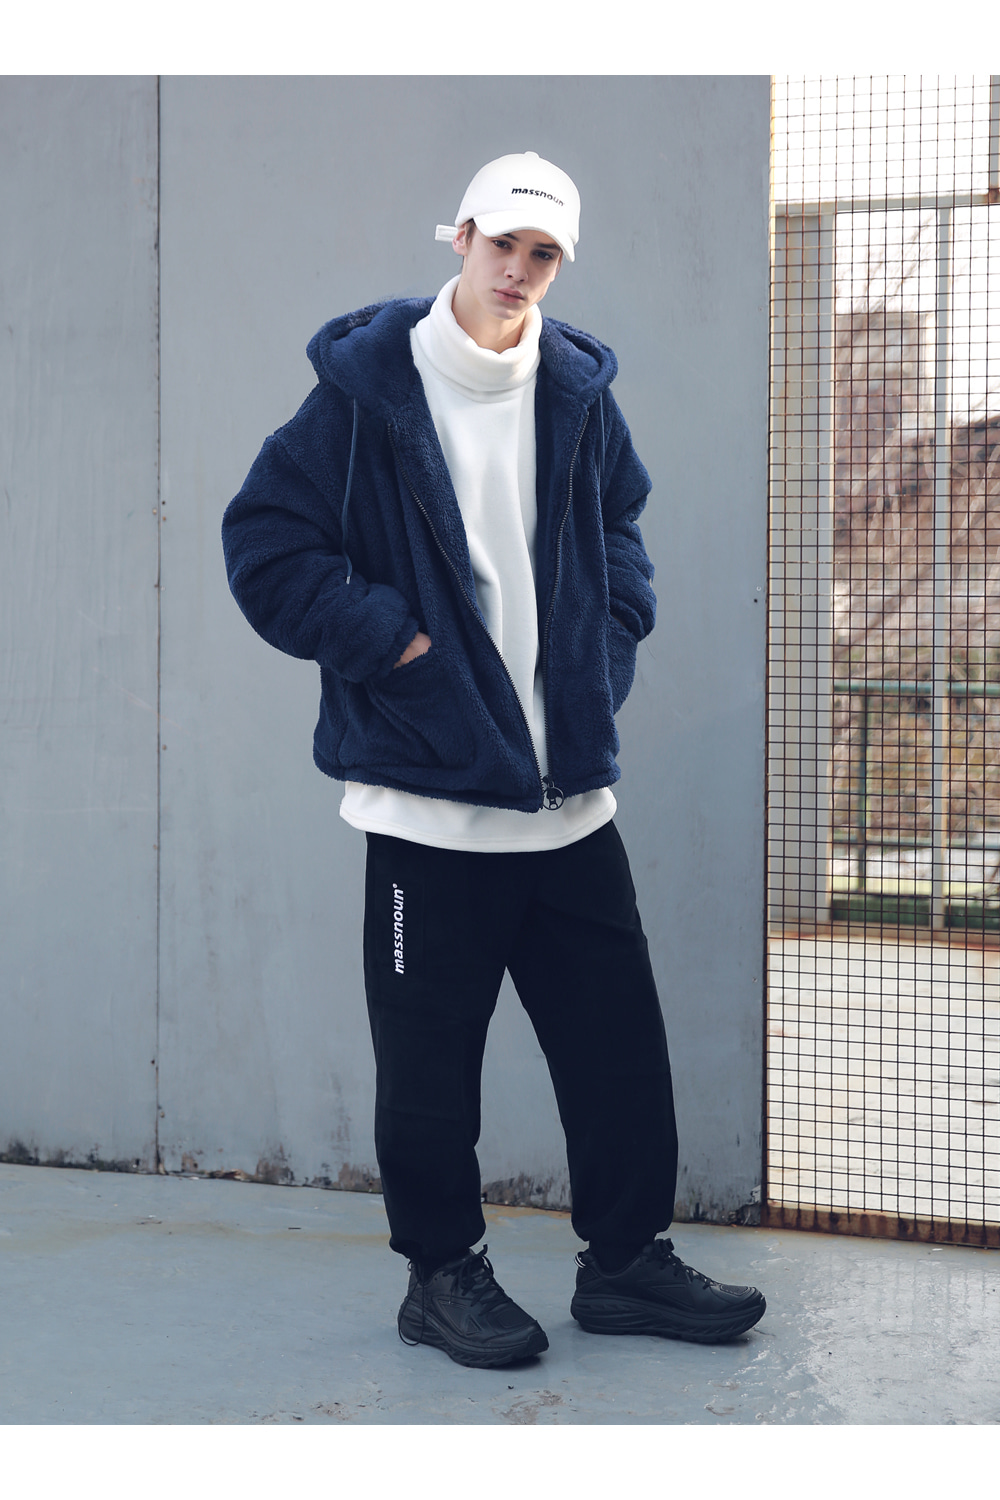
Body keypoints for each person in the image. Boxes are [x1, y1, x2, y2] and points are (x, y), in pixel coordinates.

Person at [222, 151, 765, 1368]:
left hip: (567, 801)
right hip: (429, 803)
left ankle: (625, 1264)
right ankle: (441, 1276)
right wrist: (397, 649)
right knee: (429, 1070)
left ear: (560, 264)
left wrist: (602, 654)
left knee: (619, 1054)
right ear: (461, 236)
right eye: (503, 243)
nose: (518, 270)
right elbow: (265, 543)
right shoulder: (365, 392)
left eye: (543, 253)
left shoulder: (576, 392)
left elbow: (620, 529)